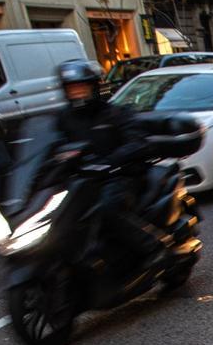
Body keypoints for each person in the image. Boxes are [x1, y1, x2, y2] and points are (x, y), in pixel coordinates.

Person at [53, 59, 166, 266]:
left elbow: (137, 142)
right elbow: (50, 144)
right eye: (72, 89)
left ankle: (152, 246)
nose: (77, 93)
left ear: (94, 87)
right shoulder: (64, 118)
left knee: (107, 209)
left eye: (81, 88)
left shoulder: (116, 114)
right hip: (81, 180)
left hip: (119, 176)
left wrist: (111, 160)